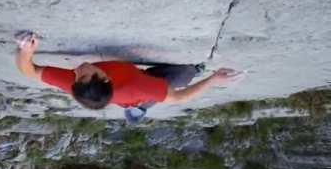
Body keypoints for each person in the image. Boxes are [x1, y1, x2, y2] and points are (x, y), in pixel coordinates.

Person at [15, 33, 240, 122]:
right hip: (136, 90)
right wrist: (212, 80)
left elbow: (29, 71)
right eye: (84, 73)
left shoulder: (78, 84)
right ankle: (138, 109)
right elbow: (179, 98)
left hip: (130, 86)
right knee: (185, 73)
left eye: (79, 75)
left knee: (170, 80)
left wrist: (26, 50)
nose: (80, 68)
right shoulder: (137, 86)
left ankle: (134, 110)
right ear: (104, 79)